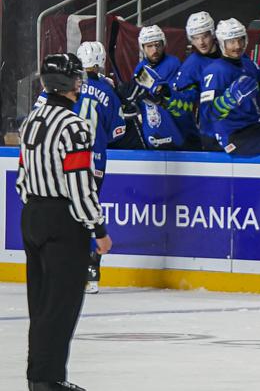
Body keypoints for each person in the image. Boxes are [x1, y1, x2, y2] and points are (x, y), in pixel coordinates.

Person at [18, 52, 113, 391]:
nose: (80, 83)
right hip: (63, 222)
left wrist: (36, 209)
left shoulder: (32, 119)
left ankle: (39, 378)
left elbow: (22, 175)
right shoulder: (74, 126)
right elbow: (79, 184)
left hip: (32, 216)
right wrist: (97, 229)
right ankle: (48, 380)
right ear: (68, 83)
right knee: (60, 306)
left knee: (41, 304)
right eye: (76, 77)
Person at [199, 19, 260, 156]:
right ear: (222, 43)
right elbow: (208, 114)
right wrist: (229, 100)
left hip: (253, 127)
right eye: (231, 41)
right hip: (231, 135)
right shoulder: (215, 71)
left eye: (240, 40)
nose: (237, 46)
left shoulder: (249, 65)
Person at [73, 41, 123, 295]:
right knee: (90, 209)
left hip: (68, 158)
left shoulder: (67, 87)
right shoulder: (108, 90)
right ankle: (92, 266)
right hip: (96, 160)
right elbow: (117, 131)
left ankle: (69, 266)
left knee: (68, 210)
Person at [124, 24, 187, 150]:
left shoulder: (173, 63)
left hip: (174, 126)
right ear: (143, 48)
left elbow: (174, 94)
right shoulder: (140, 68)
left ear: (163, 45)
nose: (154, 50)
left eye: (157, 45)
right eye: (149, 46)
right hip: (152, 128)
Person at [166, 11, 221, 150]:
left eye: (205, 36)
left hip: (240, 125)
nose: (201, 42)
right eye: (195, 38)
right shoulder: (191, 65)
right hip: (212, 131)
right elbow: (184, 104)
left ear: (212, 33)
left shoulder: (230, 52)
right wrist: (166, 97)